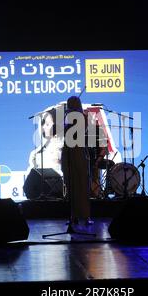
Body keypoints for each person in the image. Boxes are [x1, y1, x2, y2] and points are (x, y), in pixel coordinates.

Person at [61, 96, 92, 225]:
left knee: (80, 184)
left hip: (77, 151)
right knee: (71, 184)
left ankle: (84, 216)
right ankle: (74, 215)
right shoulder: (68, 117)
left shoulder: (81, 117)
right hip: (69, 152)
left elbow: (77, 133)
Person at [28, 108, 64, 175]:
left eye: (47, 124)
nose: (43, 127)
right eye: (43, 124)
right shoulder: (37, 152)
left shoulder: (62, 146)